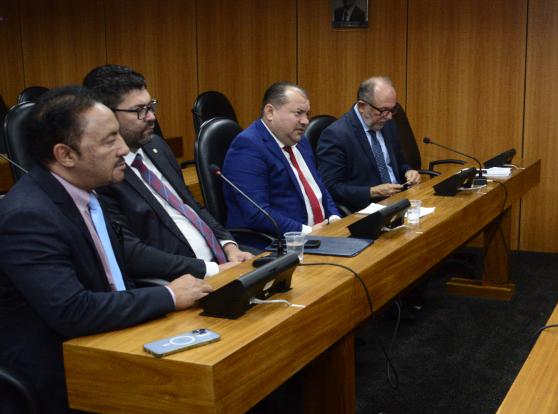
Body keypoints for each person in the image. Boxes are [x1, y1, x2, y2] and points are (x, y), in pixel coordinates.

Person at [0, 86, 370, 414]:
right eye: (109, 140)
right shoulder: (29, 215)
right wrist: (167, 296)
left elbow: (124, 251)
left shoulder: (82, 190)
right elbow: (71, 311)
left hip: (100, 335)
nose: (123, 149)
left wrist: (194, 275)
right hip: (51, 370)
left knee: (210, 361)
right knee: (180, 390)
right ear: (65, 154)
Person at [82, 65, 254, 276]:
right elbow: (131, 252)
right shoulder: (102, 174)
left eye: (151, 106)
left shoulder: (157, 146)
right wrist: (211, 270)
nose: (151, 117)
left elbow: (191, 205)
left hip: (222, 261)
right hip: (183, 278)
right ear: (106, 115)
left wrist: (229, 245)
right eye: (139, 110)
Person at [223, 82, 340, 248]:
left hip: (321, 236)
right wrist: (306, 232)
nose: (306, 121)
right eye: (298, 113)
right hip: (278, 244)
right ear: (270, 112)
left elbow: (319, 187)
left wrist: (334, 218)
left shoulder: (300, 141)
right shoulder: (248, 147)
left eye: (307, 114)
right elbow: (257, 213)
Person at [317, 76, 421, 212]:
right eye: (383, 110)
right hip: (367, 209)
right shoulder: (336, 135)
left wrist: (408, 171)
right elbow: (331, 187)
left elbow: (399, 161)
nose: (389, 116)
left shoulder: (387, 123)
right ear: (362, 106)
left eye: (392, 110)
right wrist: (371, 192)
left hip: (400, 201)